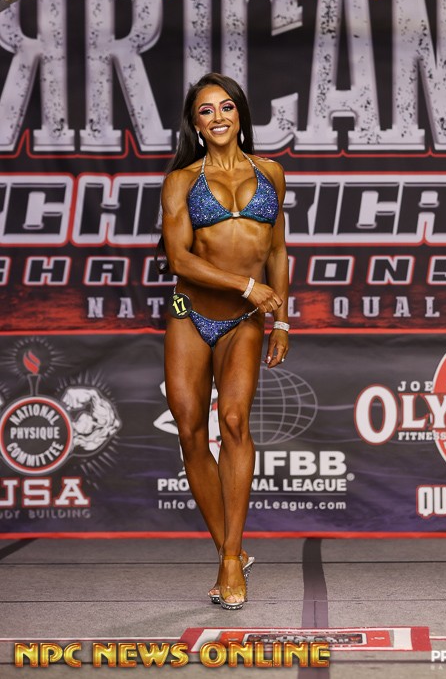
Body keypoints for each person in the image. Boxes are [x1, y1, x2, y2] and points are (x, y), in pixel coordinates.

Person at [159, 72, 289, 610]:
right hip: (189, 314)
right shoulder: (181, 181)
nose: (218, 117)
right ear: (195, 123)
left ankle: (231, 559)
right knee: (191, 432)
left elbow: (277, 249)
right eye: (206, 110)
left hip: (245, 321)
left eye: (226, 107)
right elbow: (179, 258)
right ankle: (226, 547)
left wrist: (282, 320)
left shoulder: (271, 172)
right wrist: (246, 285)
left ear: (240, 115)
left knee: (234, 422)